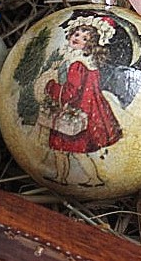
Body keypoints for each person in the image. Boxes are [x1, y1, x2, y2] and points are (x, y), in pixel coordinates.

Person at [37, 15, 123, 188]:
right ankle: (61, 177)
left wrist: (51, 86)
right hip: (86, 110)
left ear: (91, 45)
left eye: (85, 38)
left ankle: (93, 179)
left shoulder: (78, 64)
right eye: (77, 34)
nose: (78, 38)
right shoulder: (88, 63)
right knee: (64, 150)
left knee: (74, 151)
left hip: (77, 112)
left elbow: (70, 93)